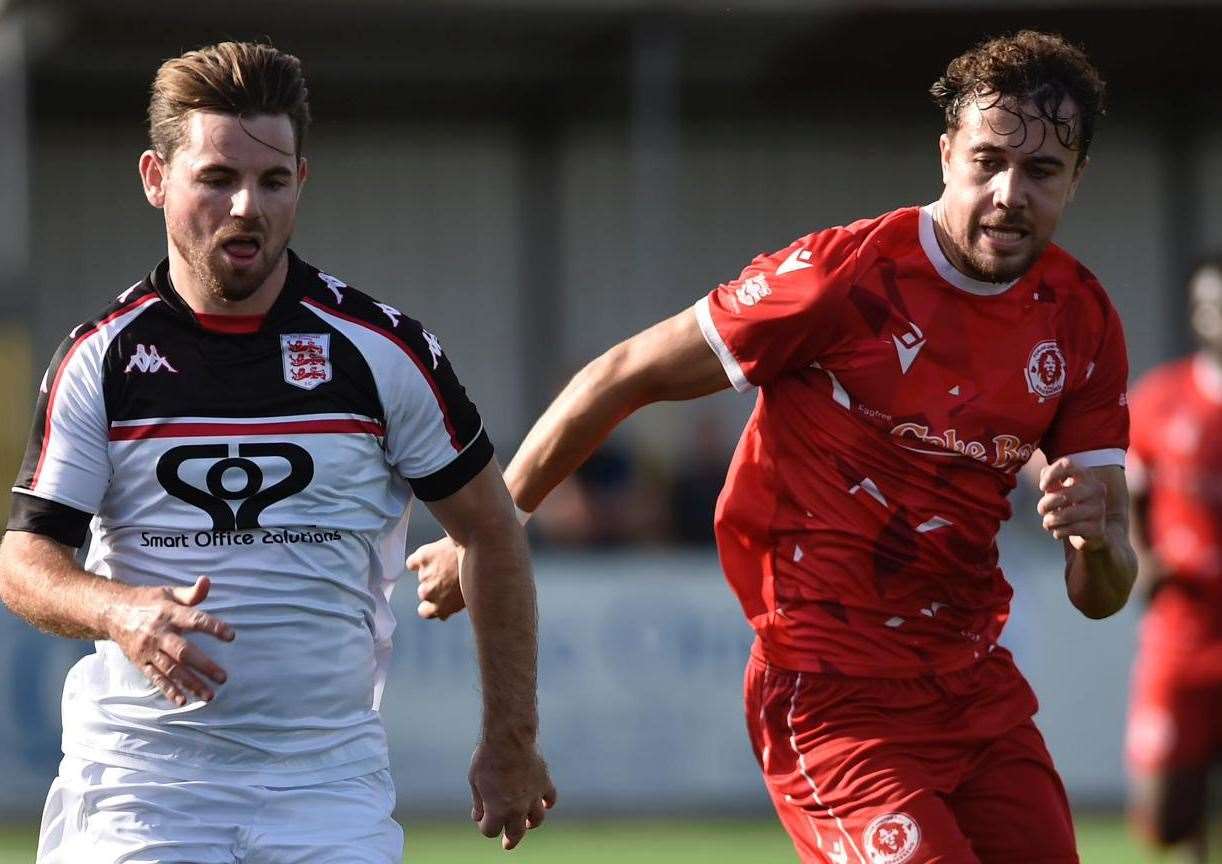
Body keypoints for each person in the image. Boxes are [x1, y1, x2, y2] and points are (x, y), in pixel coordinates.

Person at [411, 30, 1134, 863]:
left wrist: (1099, 544)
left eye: (1041, 171)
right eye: (987, 161)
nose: (1008, 193)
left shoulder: (1080, 321)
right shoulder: (843, 278)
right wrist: (494, 525)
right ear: (946, 156)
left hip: (977, 690)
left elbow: (1101, 591)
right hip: (831, 698)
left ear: (1076, 180)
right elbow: (621, 375)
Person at [0, 41, 553, 864]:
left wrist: (510, 738)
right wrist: (119, 612)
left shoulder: (381, 352)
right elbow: (24, 559)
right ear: (156, 179)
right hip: (140, 789)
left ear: (303, 180)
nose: (245, 208)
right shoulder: (103, 358)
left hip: (324, 788)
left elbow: (491, 530)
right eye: (217, 179)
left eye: (272, 181)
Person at [1125, 257, 1222, 863]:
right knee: (1166, 816)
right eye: (1207, 301)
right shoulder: (1162, 399)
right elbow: (1130, 490)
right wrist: (1141, 560)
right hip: (1183, 631)